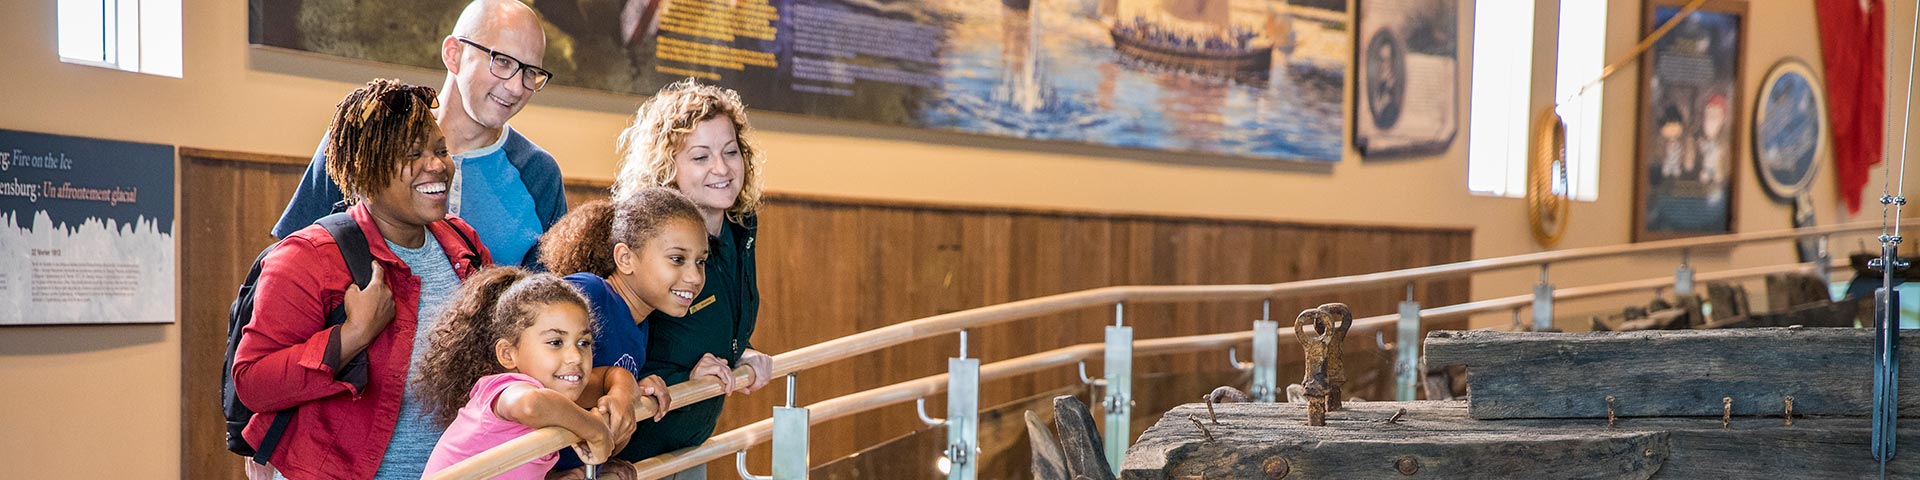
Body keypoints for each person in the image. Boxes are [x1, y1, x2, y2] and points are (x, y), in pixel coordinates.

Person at [233, 78, 492, 480]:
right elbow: (253, 382)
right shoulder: (309, 256)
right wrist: (354, 334)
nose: (437, 165)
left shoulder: (464, 244)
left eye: (440, 150)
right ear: (363, 170)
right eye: (413, 154)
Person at [273, 0, 567, 268]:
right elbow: (288, 264)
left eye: (530, 72)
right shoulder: (367, 136)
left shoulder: (539, 173)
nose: (517, 88)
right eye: (502, 61)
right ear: (454, 54)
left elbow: (544, 303)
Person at [605, 79, 773, 477]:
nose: (721, 168)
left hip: (688, 443)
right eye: (700, 157)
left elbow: (710, 323)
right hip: (634, 455)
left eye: (730, 152)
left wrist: (739, 351)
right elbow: (609, 355)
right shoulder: (645, 242)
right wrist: (683, 378)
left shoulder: (739, 230)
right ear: (668, 167)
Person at [537, 187, 708, 478]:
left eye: (701, 261)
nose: (694, 277)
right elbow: (530, 382)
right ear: (625, 258)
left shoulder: (640, 327)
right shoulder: (589, 293)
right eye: (677, 259)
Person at [417, 267, 624, 479]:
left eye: (583, 343)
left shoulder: (553, 402)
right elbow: (531, 404)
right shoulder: (505, 389)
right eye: (555, 342)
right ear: (508, 354)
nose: (575, 356)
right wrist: (595, 429)